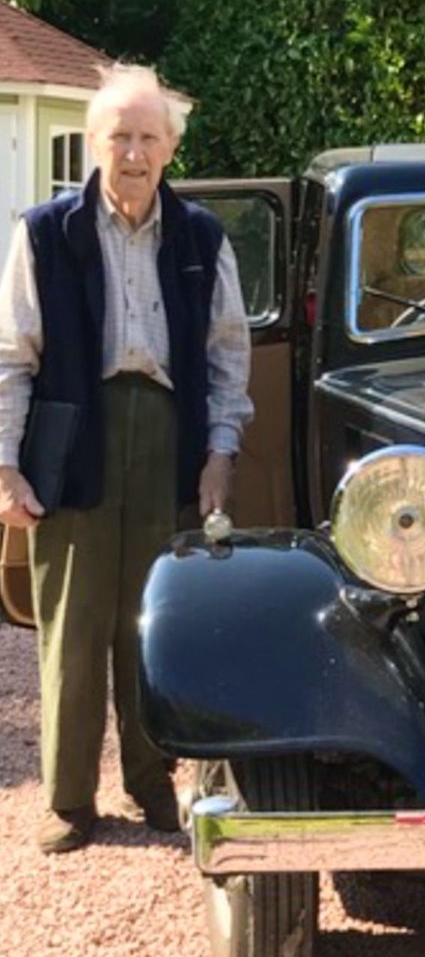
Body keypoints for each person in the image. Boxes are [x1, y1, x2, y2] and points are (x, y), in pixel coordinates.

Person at [0, 63, 253, 854]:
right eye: (120, 137)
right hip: (73, 439)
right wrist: (5, 467)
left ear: (170, 148)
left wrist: (220, 453)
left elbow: (228, 356)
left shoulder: (201, 237)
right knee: (72, 629)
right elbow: (11, 357)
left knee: (154, 625)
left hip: (168, 438)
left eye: (148, 137)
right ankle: (68, 800)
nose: (134, 153)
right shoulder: (45, 232)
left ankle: (152, 782)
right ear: (94, 144)